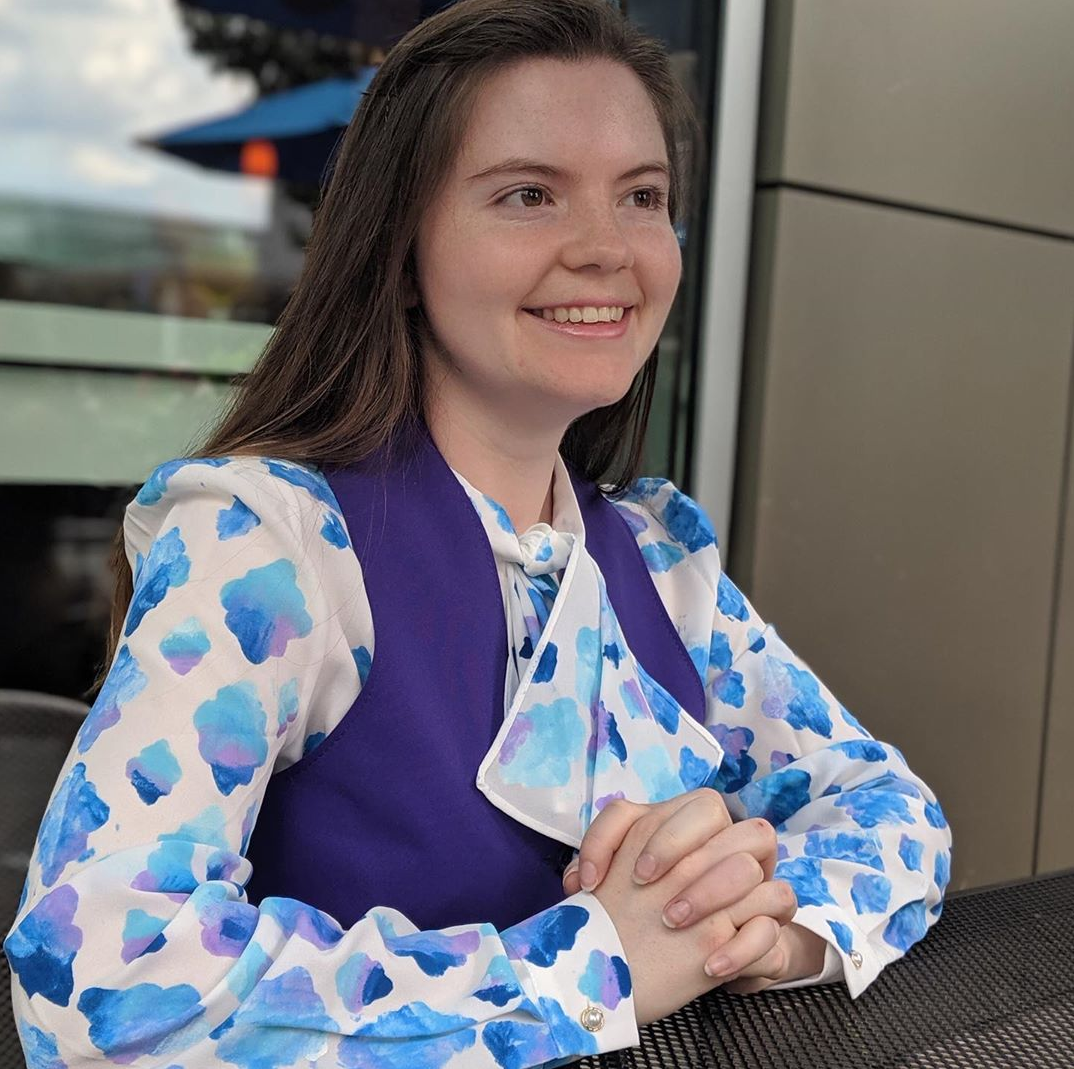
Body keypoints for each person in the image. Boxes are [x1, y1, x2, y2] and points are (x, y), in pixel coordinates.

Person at [4, 1, 952, 1066]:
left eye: (642, 195)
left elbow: (892, 810)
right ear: (400, 249)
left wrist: (762, 922)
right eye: (528, 194)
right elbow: (98, 980)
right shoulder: (272, 544)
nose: (606, 248)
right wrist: (593, 968)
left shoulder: (658, 565)